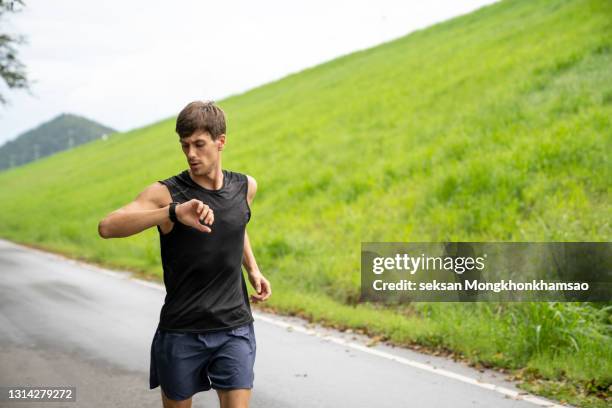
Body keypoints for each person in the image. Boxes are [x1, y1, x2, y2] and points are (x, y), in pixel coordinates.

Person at [98, 100, 272, 408]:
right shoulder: (167, 193)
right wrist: (173, 213)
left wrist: (253, 269)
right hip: (182, 332)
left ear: (221, 142)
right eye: (185, 145)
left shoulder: (245, 187)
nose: (191, 153)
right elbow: (108, 227)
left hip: (234, 327)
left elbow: (237, 225)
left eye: (199, 144)